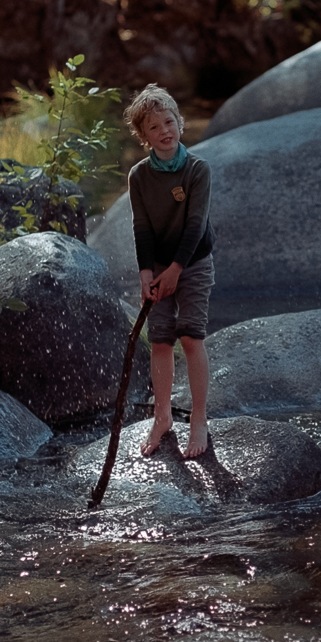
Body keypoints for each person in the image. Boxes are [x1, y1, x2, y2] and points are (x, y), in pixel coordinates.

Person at [124, 84, 215, 459]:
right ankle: (162, 416)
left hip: (193, 263)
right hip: (159, 266)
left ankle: (198, 417)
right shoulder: (139, 176)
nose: (164, 130)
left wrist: (177, 268)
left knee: (190, 337)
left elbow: (195, 226)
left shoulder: (198, 170)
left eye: (169, 121)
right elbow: (141, 227)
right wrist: (147, 273)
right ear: (143, 137)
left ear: (180, 122)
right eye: (154, 127)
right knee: (160, 340)